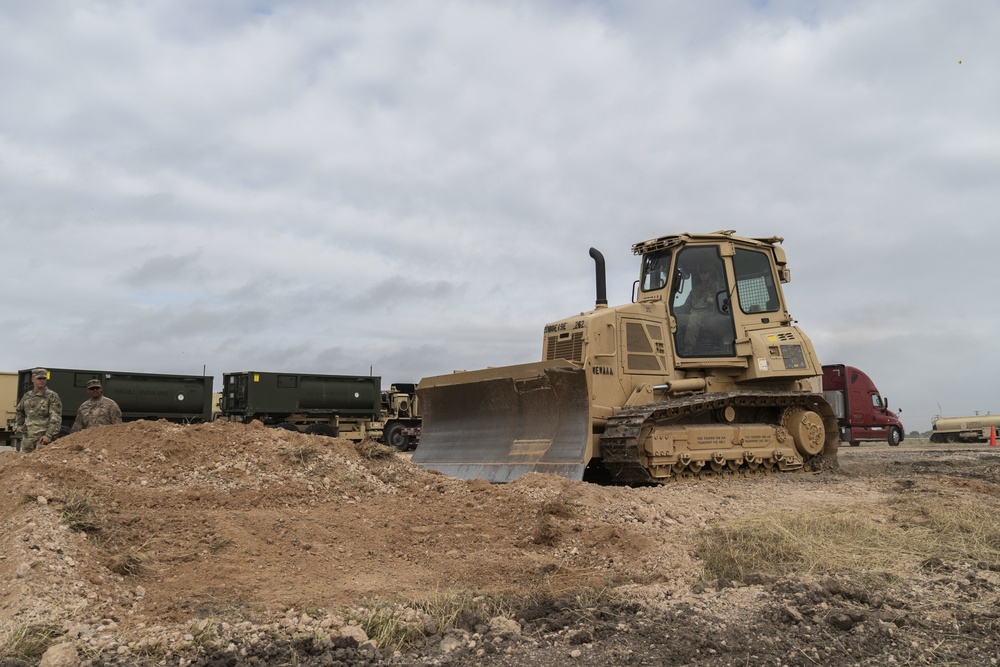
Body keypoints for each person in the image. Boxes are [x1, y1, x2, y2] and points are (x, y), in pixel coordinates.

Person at [14, 368, 63, 453]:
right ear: (33, 379)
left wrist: (49, 435)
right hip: (28, 437)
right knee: (25, 463)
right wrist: (19, 425)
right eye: (39, 378)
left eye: (44, 378)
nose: (42, 381)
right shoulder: (27, 396)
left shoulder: (52, 396)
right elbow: (19, 410)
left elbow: (55, 418)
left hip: (42, 438)